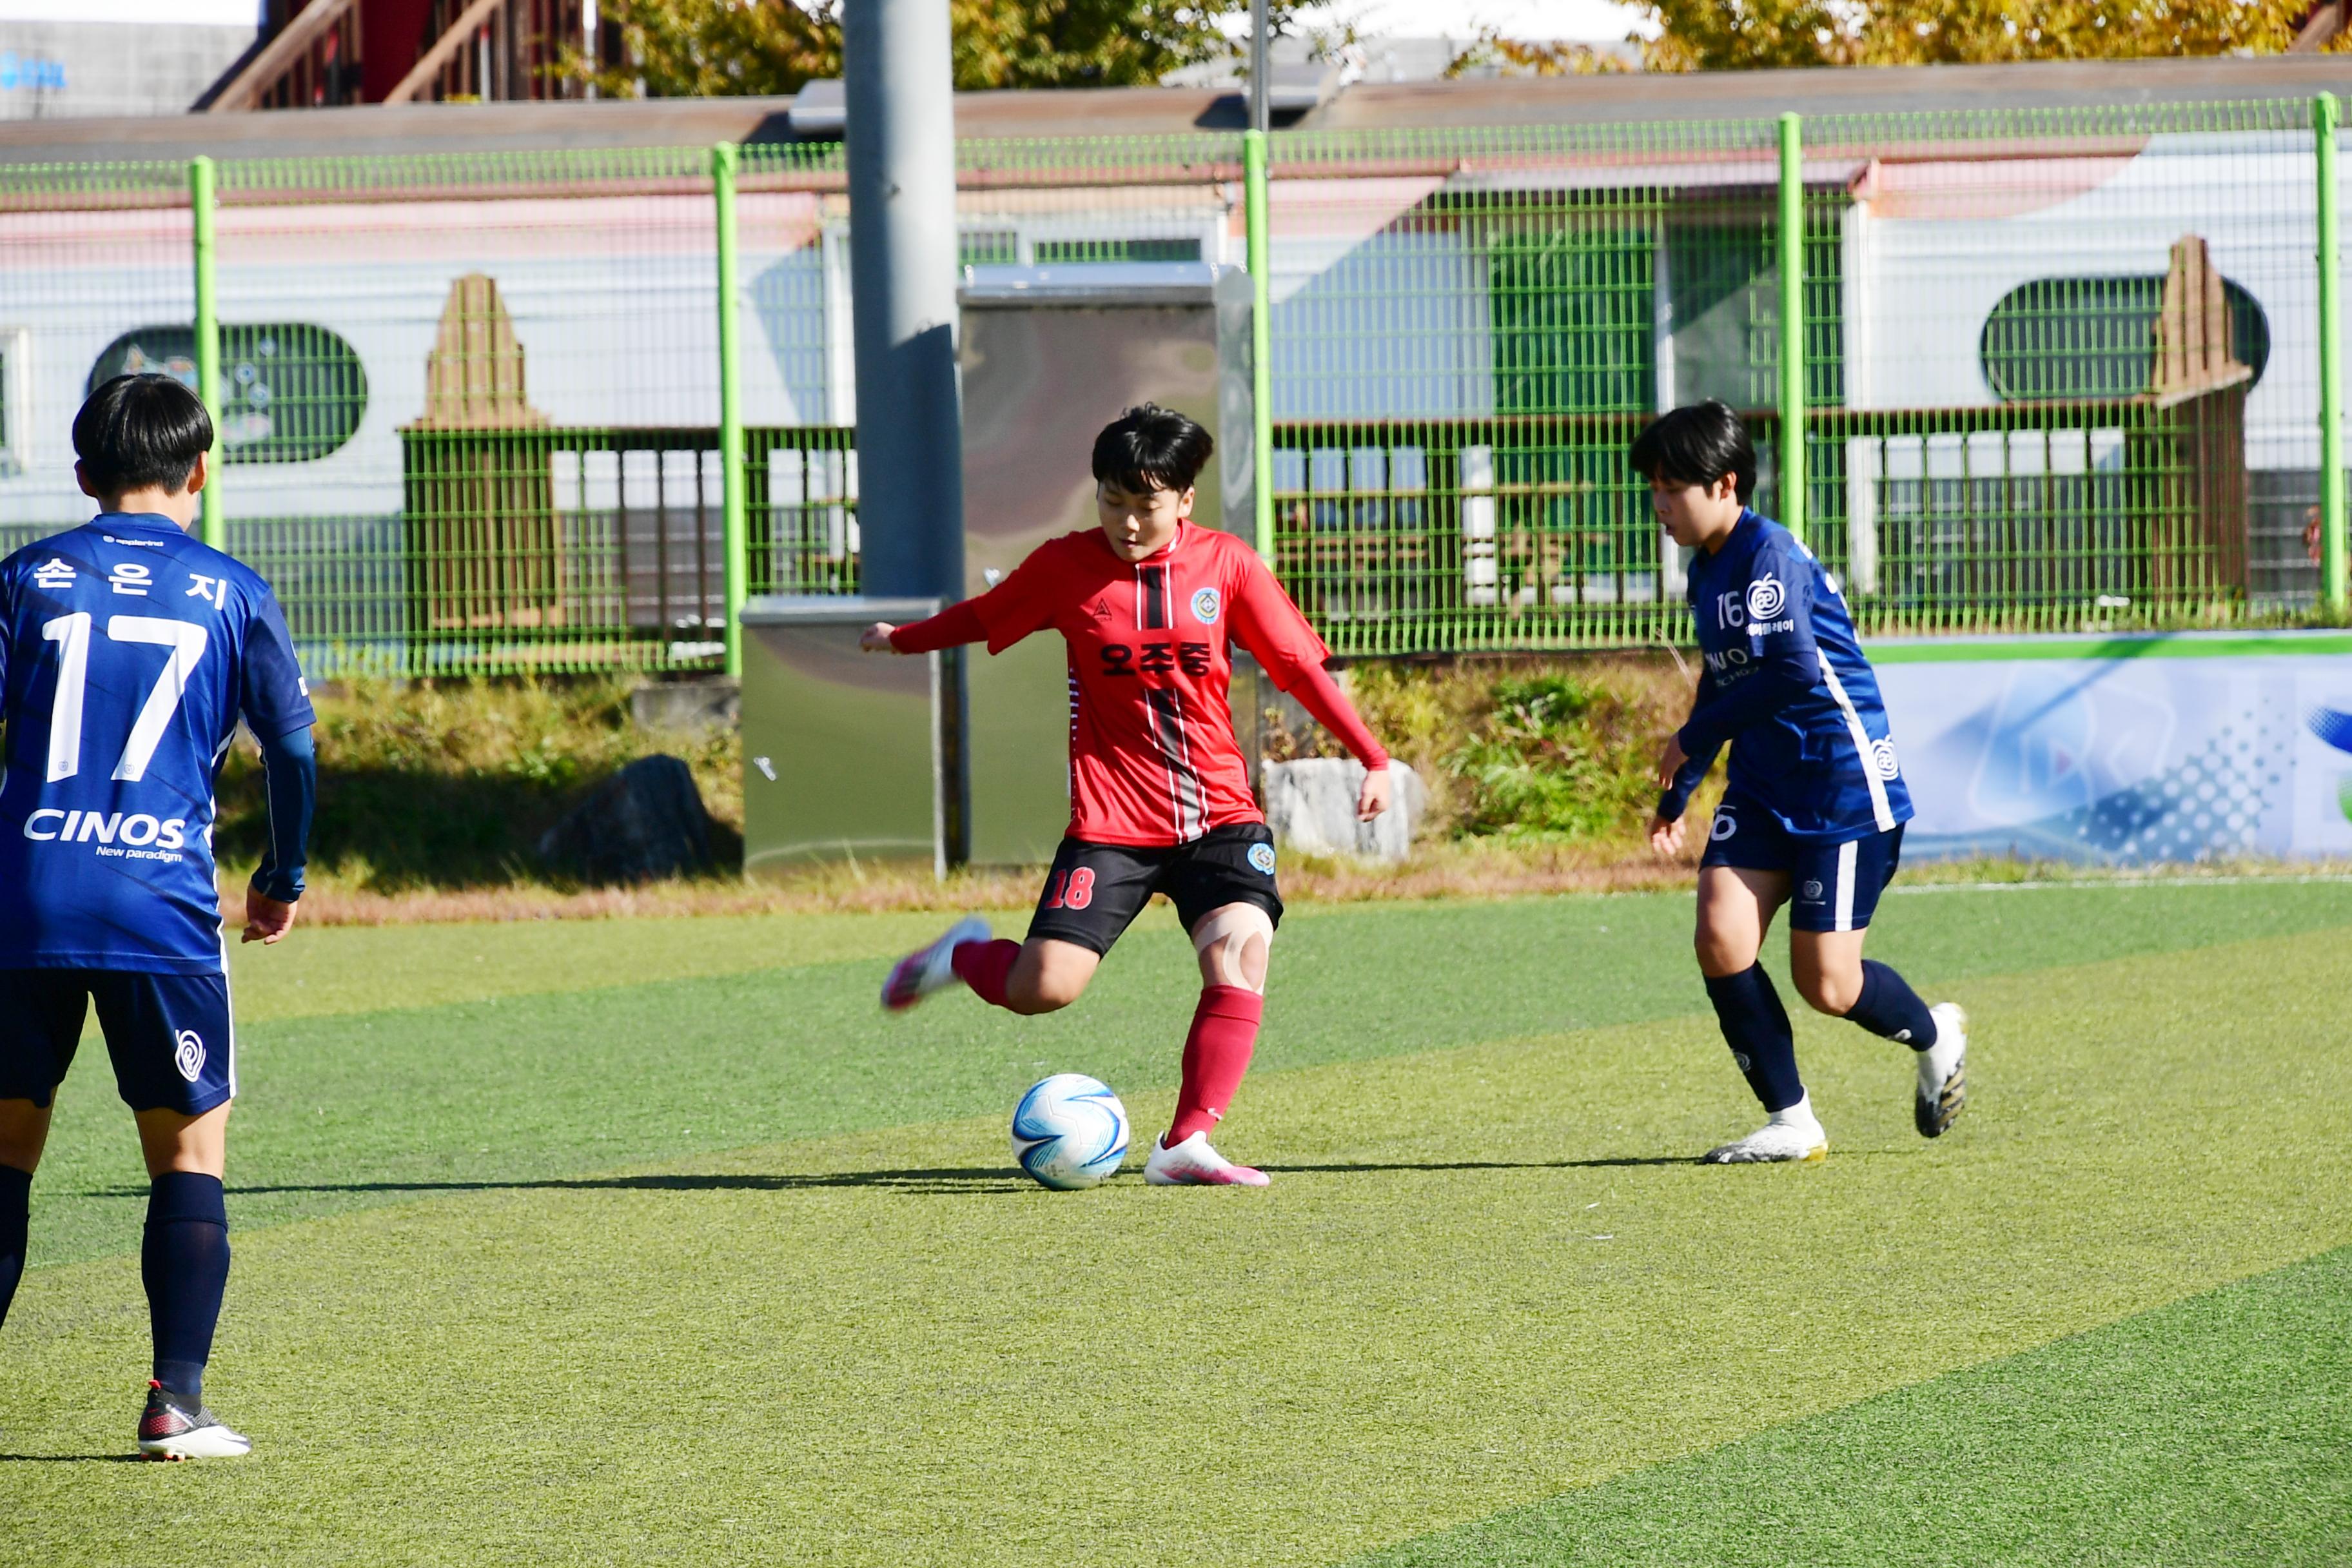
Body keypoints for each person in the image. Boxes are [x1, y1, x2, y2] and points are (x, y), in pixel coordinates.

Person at [867, 404, 1391, 1186]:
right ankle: (961, 953)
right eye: (1112, 500)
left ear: (1184, 499)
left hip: (1218, 812)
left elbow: (1298, 667)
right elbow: (988, 615)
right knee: (1044, 988)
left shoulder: (1230, 565)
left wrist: (1373, 756)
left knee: (1241, 950)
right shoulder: (1064, 567)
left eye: (1145, 504)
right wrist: (903, 638)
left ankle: (1184, 1143)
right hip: (1113, 822)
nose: (1127, 520)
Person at [0, 374, 316, 1458]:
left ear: (83, 477)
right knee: (186, 1159)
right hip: (158, 907)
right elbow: (294, 748)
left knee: (5, 1153)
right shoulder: (232, 589)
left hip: (24, 900)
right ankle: (174, 1401)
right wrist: (282, 878)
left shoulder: (25, 579)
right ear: (201, 469)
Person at [1634, 401, 1966, 1163]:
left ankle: (1936, 1033)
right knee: (1721, 938)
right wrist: (1679, 788)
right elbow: (1724, 683)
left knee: (1829, 984)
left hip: (1841, 782)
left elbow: (1792, 670)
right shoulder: (1706, 567)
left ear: (1726, 483)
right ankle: (1792, 1121)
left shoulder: (1768, 556)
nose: (1659, 502)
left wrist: (1688, 739)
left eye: (1672, 485)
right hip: (1761, 785)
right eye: (1652, 485)